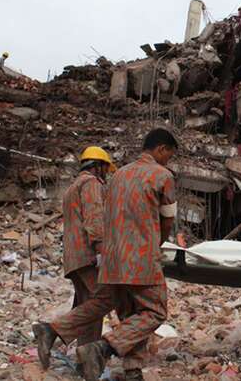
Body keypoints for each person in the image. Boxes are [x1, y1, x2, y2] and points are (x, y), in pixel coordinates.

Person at [69, 129, 185, 381]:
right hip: (141, 259)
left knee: (131, 316)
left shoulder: (117, 175)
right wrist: (157, 243)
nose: (168, 160)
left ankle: (132, 370)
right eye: (169, 155)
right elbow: (167, 220)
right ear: (161, 149)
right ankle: (102, 347)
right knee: (154, 312)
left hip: (111, 261)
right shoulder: (163, 175)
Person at [32, 146, 115, 369]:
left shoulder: (72, 187)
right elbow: (95, 218)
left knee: (89, 308)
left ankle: (86, 362)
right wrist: (101, 250)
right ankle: (51, 331)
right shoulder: (91, 184)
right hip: (87, 255)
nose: (106, 174)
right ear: (99, 166)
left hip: (73, 257)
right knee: (105, 300)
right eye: (106, 168)